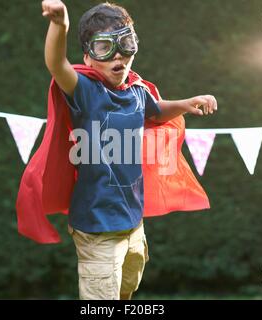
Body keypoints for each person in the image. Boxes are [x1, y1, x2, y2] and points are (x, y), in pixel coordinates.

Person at [38, 0, 217, 300]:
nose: (118, 55)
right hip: (96, 228)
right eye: (104, 48)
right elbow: (56, 65)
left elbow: (155, 111)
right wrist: (60, 26)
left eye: (126, 43)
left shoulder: (136, 90)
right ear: (88, 57)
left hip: (133, 222)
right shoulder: (85, 91)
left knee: (126, 290)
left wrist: (186, 103)